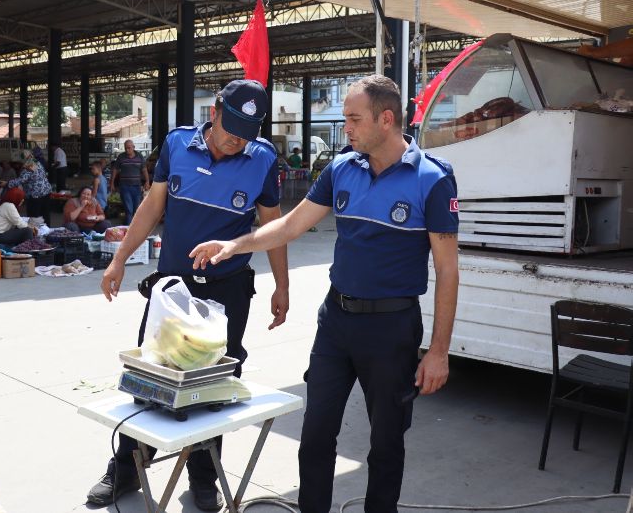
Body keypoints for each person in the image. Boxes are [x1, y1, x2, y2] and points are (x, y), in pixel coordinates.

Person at [189, 75, 460, 513]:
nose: (346, 127)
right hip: (335, 323)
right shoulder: (341, 169)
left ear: (386, 119)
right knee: (315, 435)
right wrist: (236, 243)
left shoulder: (431, 179)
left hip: (391, 329)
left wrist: (440, 351)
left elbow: (448, 271)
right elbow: (292, 224)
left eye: (353, 118)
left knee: (386, 442)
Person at [87, 79, 290, 511]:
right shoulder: (177, 144)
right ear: (214, 111)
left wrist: (282, 286)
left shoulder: (262, 159)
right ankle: (124, 468)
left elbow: (275, 227)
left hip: (227, 289)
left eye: (246, 133)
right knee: (151, 376)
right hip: (173, 287)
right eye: (231, 128)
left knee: (212, 383)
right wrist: (120, 259)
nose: (237, 140)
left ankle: (203, 475)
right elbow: (151, 209)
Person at [110, 139, 149, 225]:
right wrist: (112, 183)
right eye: (125, 148)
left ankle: (135, 228)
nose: (127, 150)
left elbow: (144, 169)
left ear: (133, 147)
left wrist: (147, 181)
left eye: (129, 148)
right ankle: (128, 230)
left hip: (137, 187)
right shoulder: (121, 157)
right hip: (125, 187)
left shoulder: (140, 157)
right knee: (129, 209)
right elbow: (115, 170)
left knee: (136, 209)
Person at [6, 153, 52, 225]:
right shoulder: (37, 162)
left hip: (35, 195)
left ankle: (35, 233)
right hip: (46, 191)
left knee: (34, 217)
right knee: (45, 214)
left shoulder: (29, 166)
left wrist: (7, 183)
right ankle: (47, 230)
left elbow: (21, 180)